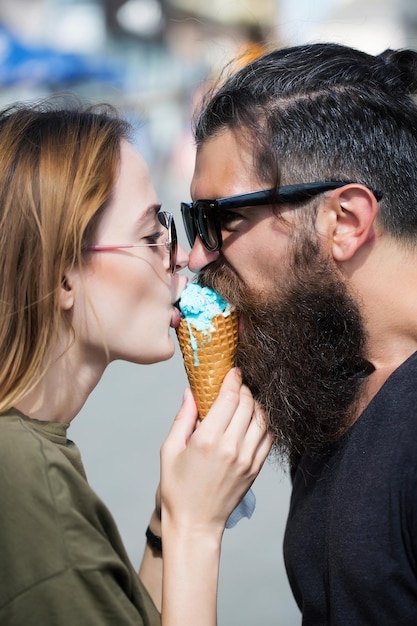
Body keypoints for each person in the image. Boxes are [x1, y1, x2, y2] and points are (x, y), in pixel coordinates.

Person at [0, 97, 272, 626]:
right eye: (152, 236)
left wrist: (167, 515)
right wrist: (196, 526)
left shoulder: (31, 448)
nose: (182, 257)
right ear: (62, 276)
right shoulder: (25, 478)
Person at [181, 42, 417, 624]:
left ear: (345, 221)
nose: (194, 255)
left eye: (219, 219)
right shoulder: (333, 374)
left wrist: (189, 531)